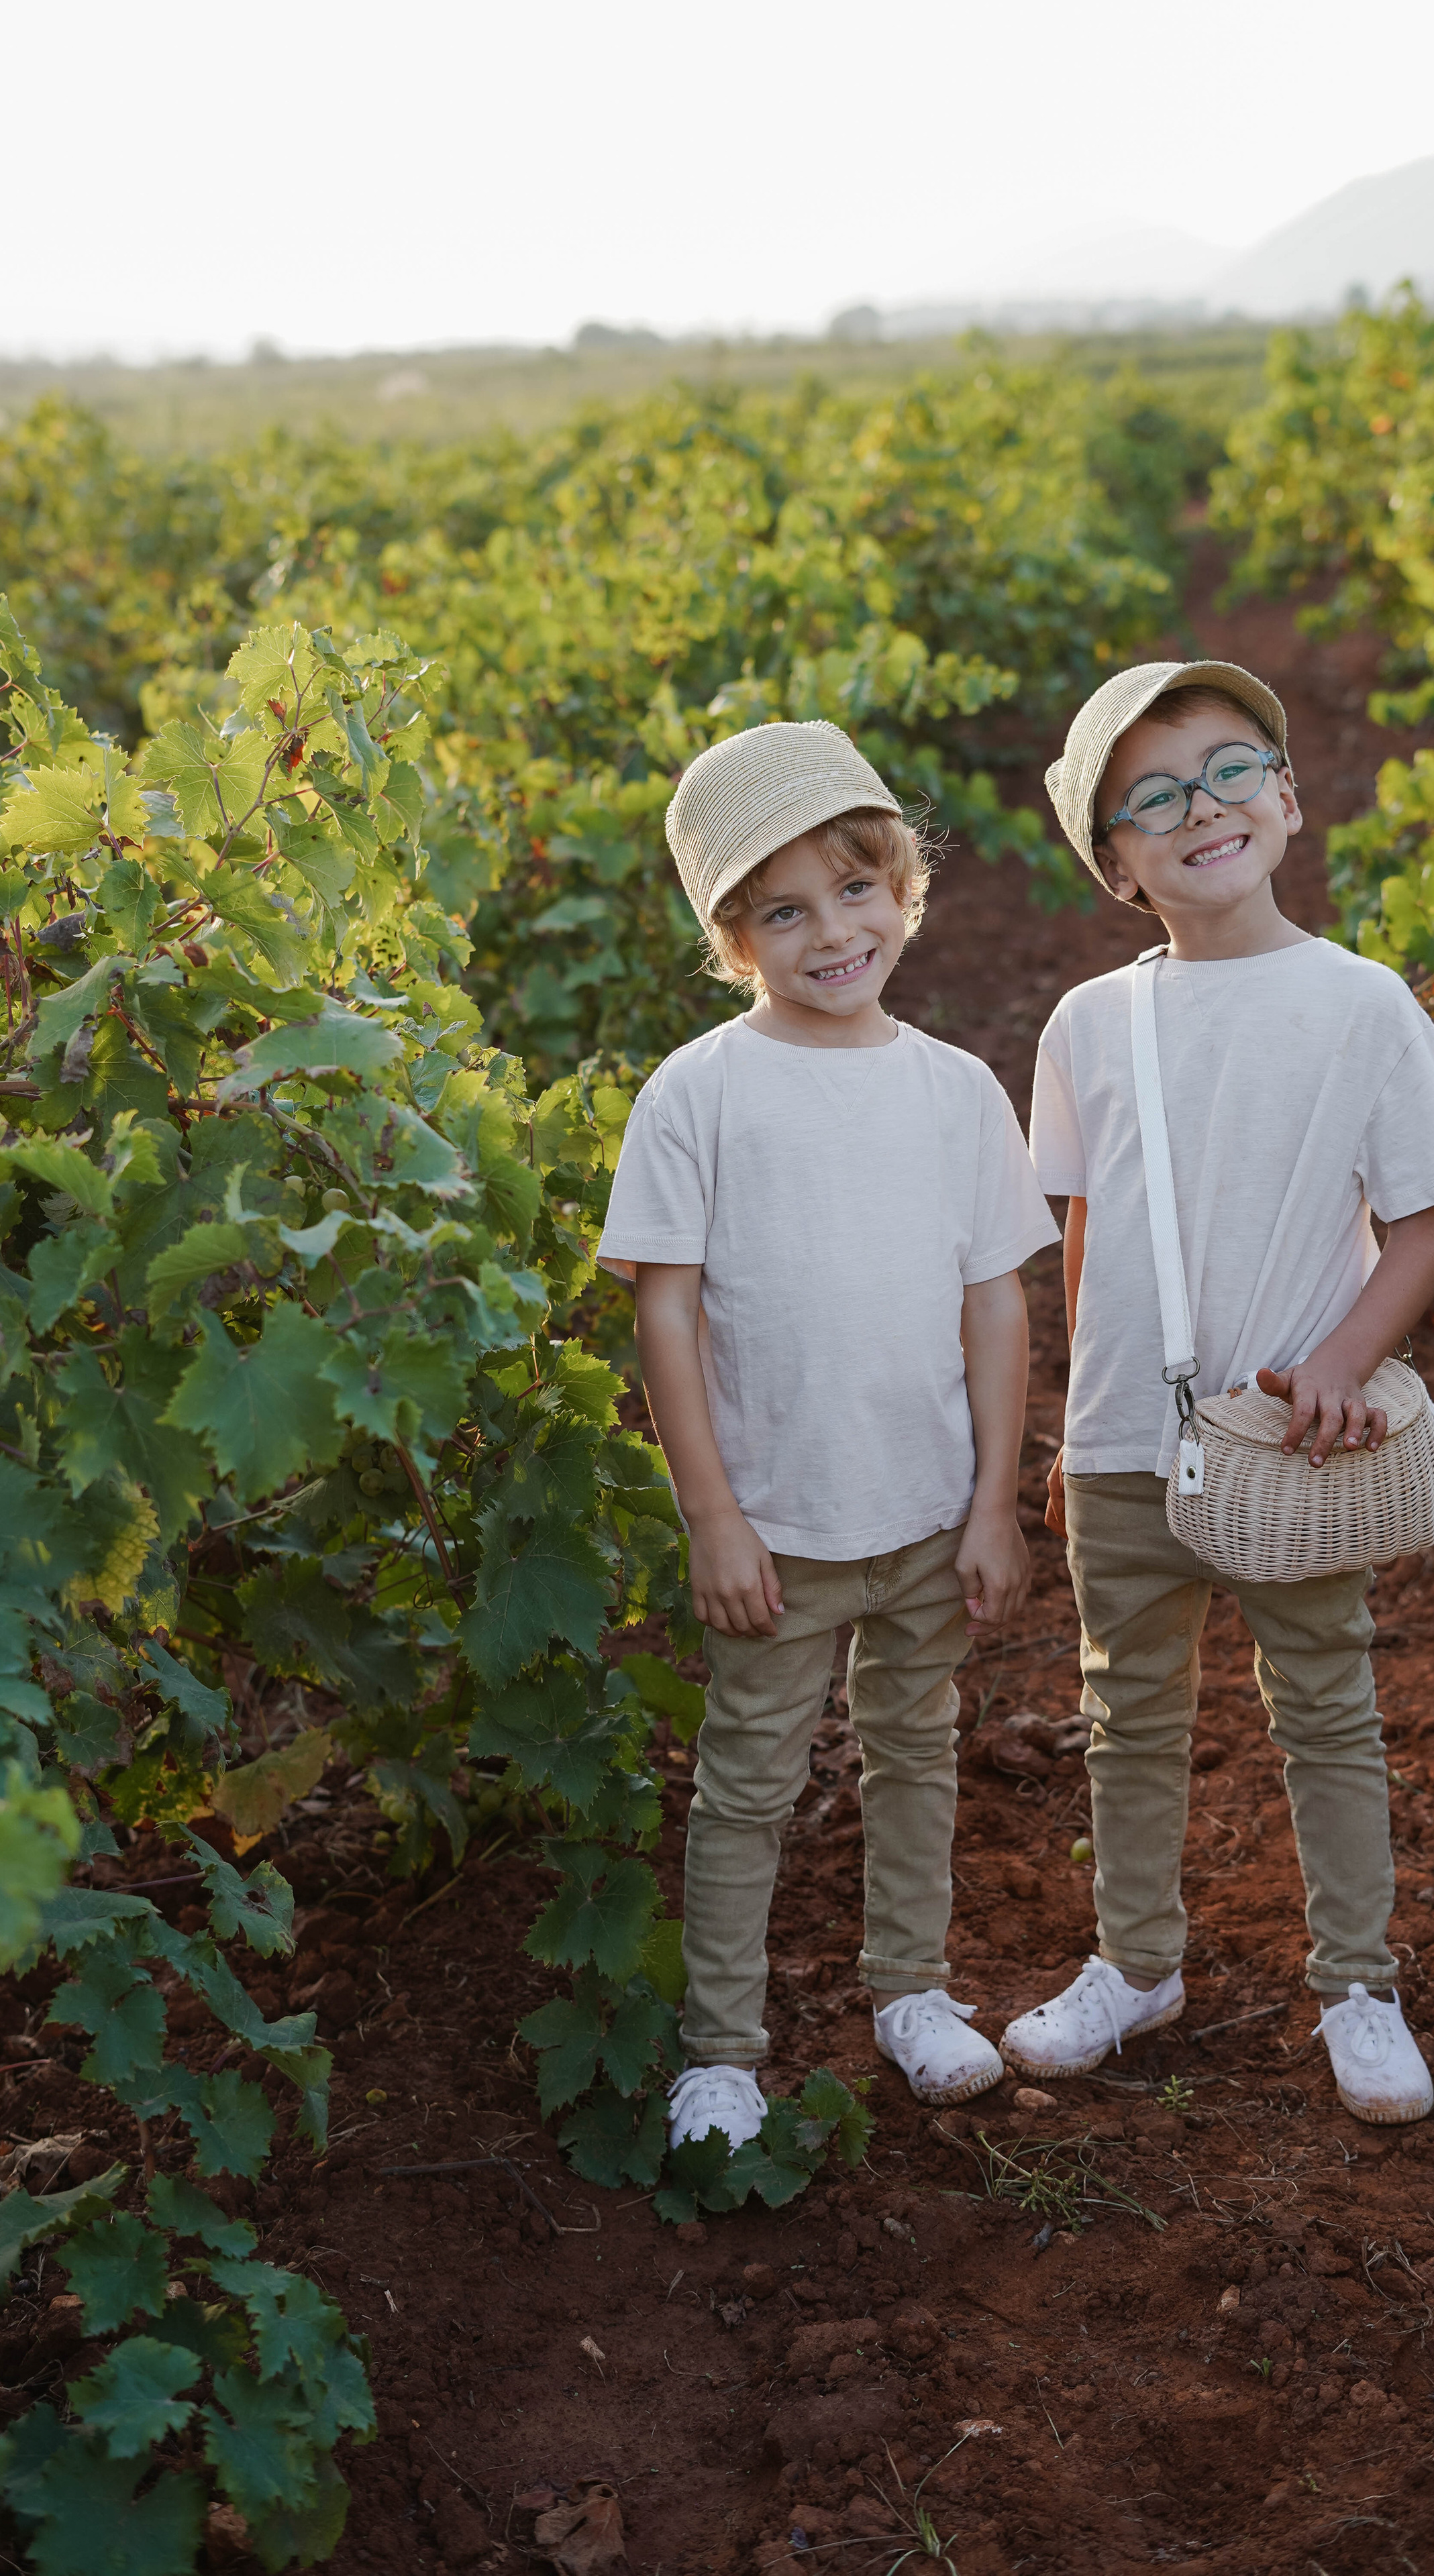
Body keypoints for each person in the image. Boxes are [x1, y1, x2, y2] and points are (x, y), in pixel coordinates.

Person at [1001, 661, 1434, 2124]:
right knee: (1126, 1714)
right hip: (1124, 1438)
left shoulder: (1359, 1004)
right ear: (1115, 865)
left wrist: (1343, 1357)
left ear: (1283, 795)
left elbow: (1430, 1216)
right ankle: (1135, 1963)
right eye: (1151, 799)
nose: (1198, 809)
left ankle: (1357, 1984)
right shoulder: (1090, 1023)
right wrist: (1073, 1425)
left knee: (1324, 1706)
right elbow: (1086, 1223)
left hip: (1291, 1435)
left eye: (1226, 771)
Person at [598, 719, 1060, 2151]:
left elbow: (995, 1305)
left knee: (916, 1751)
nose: (833, 933)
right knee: (748, 1781)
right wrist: (713, 1518)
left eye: (855, 889)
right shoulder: (698, 1095)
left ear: (902, 886)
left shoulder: (954, 1091)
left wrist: (992, 1502)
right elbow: (665, 1316)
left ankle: (910, 1992)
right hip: (777, 1529)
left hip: (925, 1513)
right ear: (733, 940)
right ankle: (723, 2050)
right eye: (783, 912)